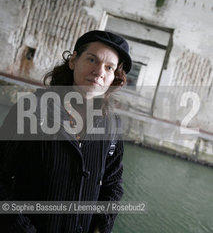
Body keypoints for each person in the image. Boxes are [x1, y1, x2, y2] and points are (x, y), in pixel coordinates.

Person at [0, 30, 132, 233]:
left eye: (109, 67)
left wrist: (99, 229)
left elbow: (113, 185)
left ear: (114, 77)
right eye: (91, 59)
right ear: (73, 61)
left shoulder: (112, 125)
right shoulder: (30, 110)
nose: (99, 72)